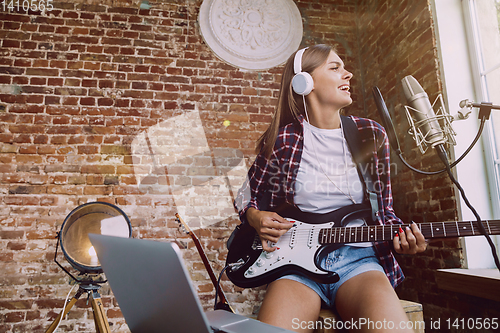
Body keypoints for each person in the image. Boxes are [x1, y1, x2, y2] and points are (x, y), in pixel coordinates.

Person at [233, 44, 427, 333]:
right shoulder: (284, 140)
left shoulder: (370, 134)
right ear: (304, 82)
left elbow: (384, 210)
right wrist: (255, 218)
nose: (347, 73)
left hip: (359, 260)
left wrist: (405, 237)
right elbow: (246, 197)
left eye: (344, 67)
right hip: (296, 269)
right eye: (335, 68)